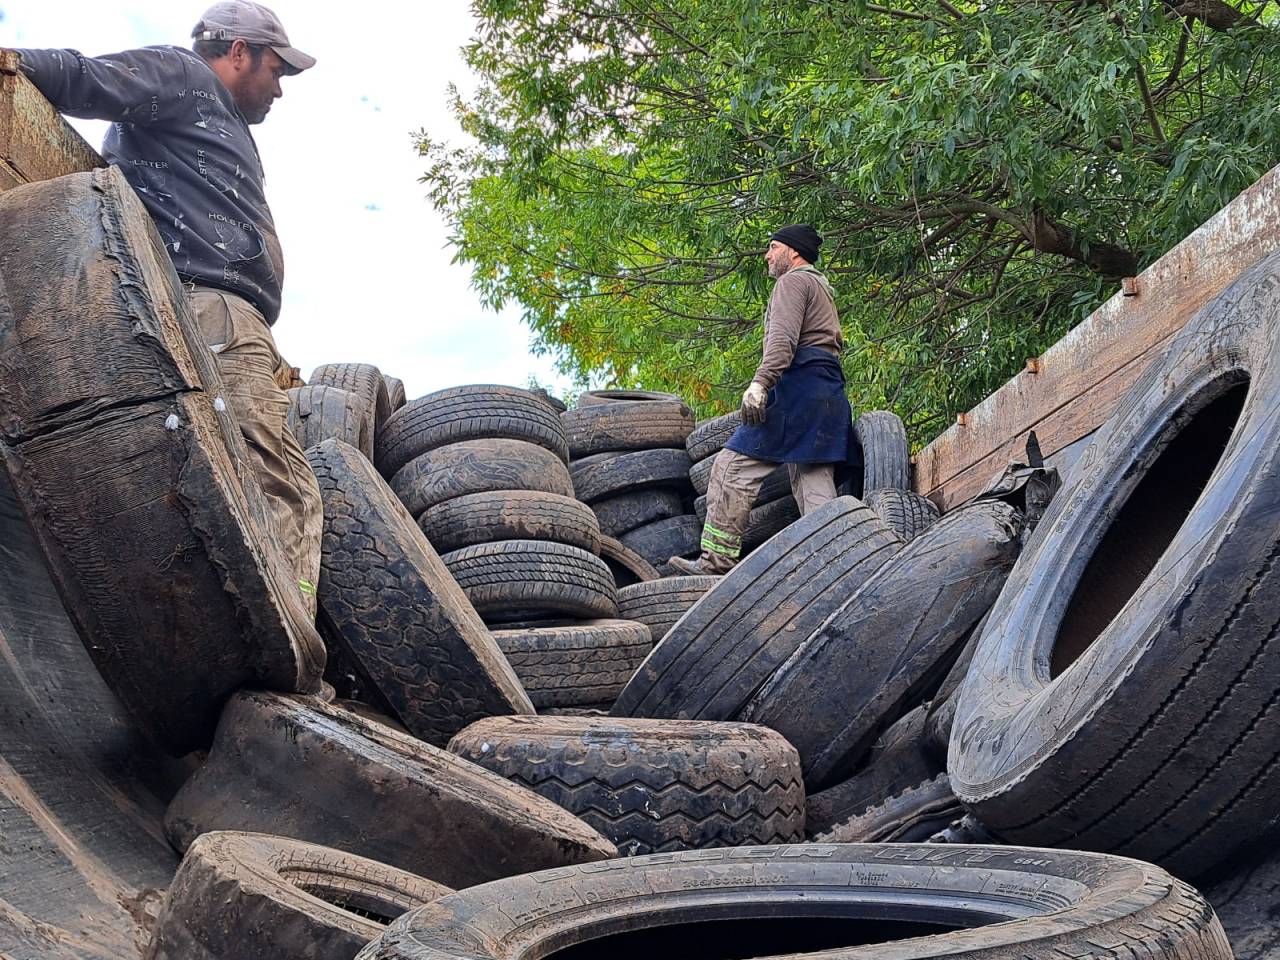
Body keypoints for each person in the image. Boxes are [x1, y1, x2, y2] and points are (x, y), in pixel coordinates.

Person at [10, 2, 323, 613]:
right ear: (238, 52)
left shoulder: (216, 116)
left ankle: (281, 638)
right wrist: (15, 63)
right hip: (212, 311)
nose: (280, 89)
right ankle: (285, 673)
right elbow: (83, 78)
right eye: (277, 69)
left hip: (233, 319)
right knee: (270, 481)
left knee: (298, 487)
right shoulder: (185, 76)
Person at [670, 224, 856, 576]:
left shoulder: (793, 282)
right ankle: (838, 566)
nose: (767, 256)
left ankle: (715, 564)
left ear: (794, 252)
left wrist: (760, 383)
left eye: (773, 247)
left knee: (732, 467)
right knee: (812, 478)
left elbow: (783, 341)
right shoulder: (820, 287)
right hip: (827, 391)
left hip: (798, 388)